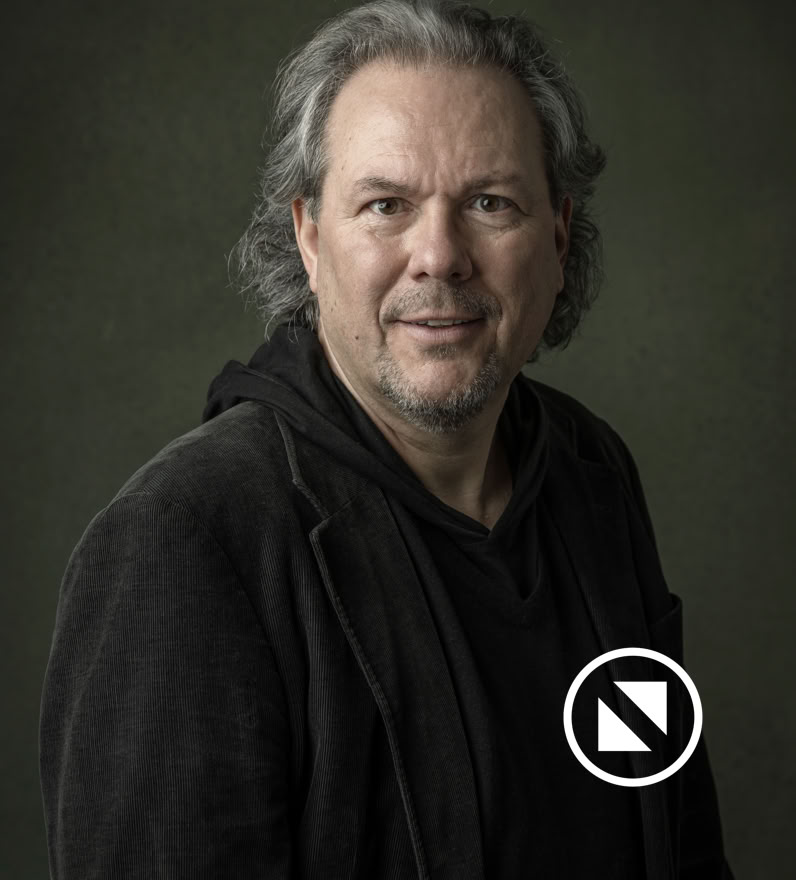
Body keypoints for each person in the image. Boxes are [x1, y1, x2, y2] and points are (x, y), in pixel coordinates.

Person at [39, 1, 734, 877]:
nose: (439, 255)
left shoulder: (590, 469)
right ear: (309, 239)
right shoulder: (187, 540)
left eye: (489, 202)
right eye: (385, 205)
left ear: (558, 239)